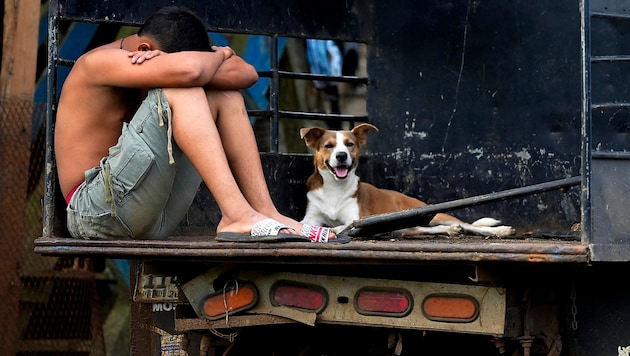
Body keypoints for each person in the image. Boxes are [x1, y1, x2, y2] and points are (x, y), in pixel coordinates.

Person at [55, 6, 341, 243]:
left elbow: (246, 74)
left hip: (151, 216)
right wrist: (219, 55)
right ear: (144, 48)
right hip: (95, 213)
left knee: (223, 94)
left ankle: (266, 211)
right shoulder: (98, 63)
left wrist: (207, 61)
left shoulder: (158, 53)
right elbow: (191, 71)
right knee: (184, 88)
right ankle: (236, 215)